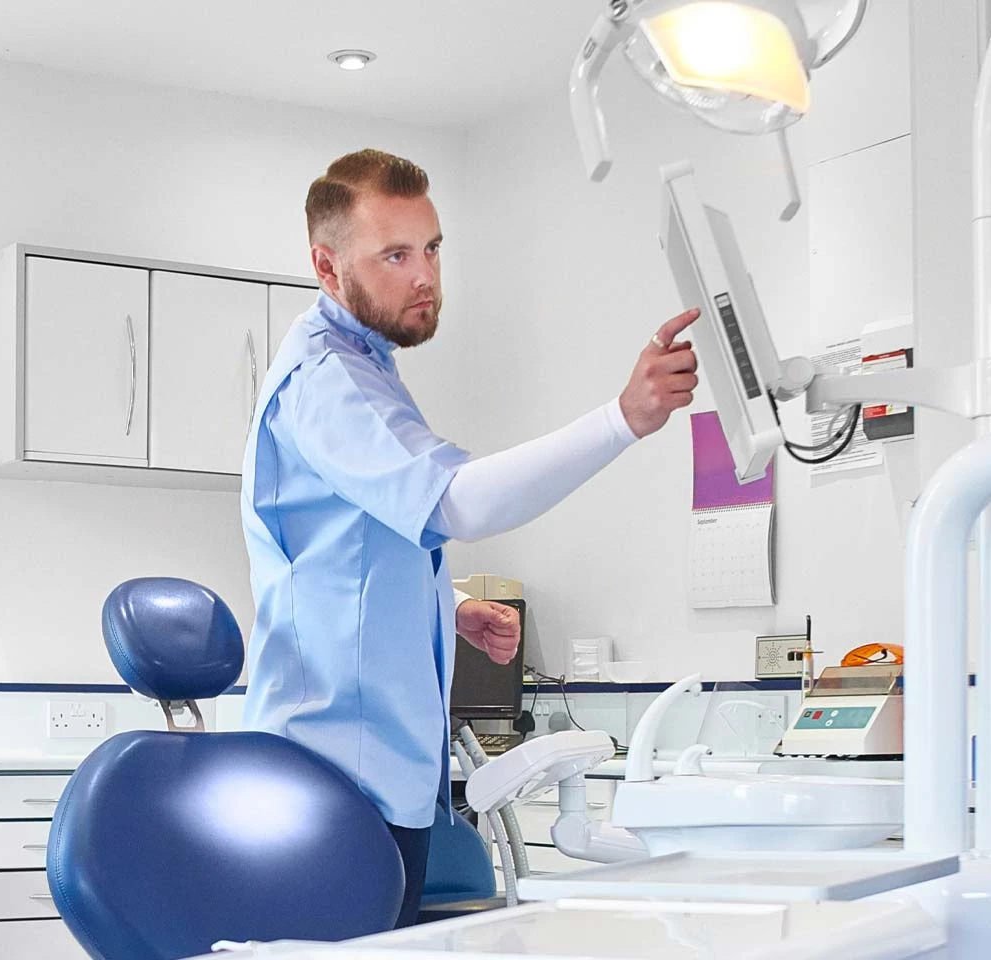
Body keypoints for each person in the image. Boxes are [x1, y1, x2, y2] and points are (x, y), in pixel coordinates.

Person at [239, 149, 699, 927]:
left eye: (432, 248)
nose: (425, 276)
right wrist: (623, 419)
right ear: (326, 265)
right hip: (335, 776)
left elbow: (339, 546)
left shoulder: (365, 364)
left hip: (370, 769)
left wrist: (441, 602)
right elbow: (457, 502)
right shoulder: (328, 381)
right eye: (395, 255)